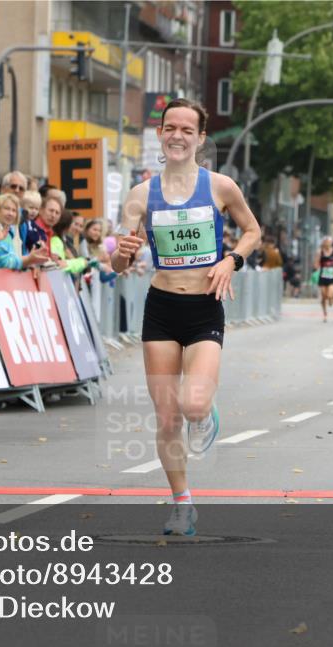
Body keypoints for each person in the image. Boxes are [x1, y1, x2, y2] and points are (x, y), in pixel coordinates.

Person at [110, 98, 261, 536]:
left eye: (187, 130)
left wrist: (231, 260)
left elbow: (253, 231)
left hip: (204, 307)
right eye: (170, 128)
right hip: (161, 308)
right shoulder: (141, 195)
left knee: (193, 404)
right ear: (161, 134)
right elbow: (119, 264)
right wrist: (122, 254)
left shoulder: (221, 187)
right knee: (167, 418)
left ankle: (205, 415)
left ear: (200, 138)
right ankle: (182, 504)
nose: (177, 136)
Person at [0, 193, 49, 270]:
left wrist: (30, 262)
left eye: (14, 210)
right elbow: (2, 263)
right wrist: (28, 260)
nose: (10, 213)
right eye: (7, 208)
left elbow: (12, 258)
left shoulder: (5, 228)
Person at [314, 236, 333, 322]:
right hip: (322, 275)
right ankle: (325, 313)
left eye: (329, 242)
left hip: (331, 276)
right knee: (323, 296)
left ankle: (331, 298)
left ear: (331, 243)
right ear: (323, 243)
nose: (327, 243)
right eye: (326, 242)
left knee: (329, 295)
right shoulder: (320, 252)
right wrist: (317, 268)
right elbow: (316, 262)